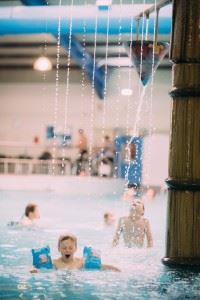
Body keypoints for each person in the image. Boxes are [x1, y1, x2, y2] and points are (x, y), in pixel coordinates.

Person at [31, 233, 120, 272]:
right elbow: (36, 267)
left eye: (70, 248)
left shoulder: (81, 262)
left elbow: (100, 266)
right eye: (64, 248)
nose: (67, 250)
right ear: (59, 249)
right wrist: (33, 269)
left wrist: (114, 268)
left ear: (75, 249)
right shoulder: (55, 263)